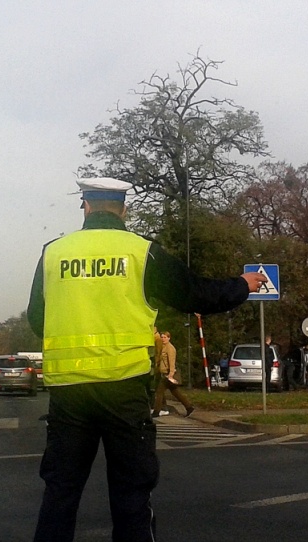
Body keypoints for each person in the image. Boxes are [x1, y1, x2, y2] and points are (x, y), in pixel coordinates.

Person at [27, 177, 268, 542]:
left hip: (69, 394)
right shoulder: (142, 252)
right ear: (124, 210)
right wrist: (241, 285)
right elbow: (194, 293)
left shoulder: (53, 252)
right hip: (124, 392)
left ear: (86, 207)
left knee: (60, 494)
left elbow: (36, 319)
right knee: (131, 495)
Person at [151, 331, 194, 417]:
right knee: (175, 392)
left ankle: (156, 412)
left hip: (167, 375)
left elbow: (172, 362)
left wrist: (170, 375)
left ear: (169, 338)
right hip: (163, 373)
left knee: (159, 392)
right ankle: (189, 407)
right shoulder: (163, 347)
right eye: (162, 337)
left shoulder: (170, 348)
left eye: (165, 337)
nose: (163, 339)